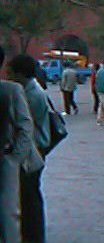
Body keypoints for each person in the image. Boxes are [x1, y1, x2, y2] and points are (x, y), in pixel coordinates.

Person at [0, 46, 43, 243]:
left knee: (9, 212)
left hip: (6, 159)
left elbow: (26, 127)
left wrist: (15, 159)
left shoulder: (10, 90)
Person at [8, 54, 50, 243]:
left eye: (11, 73)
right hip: (36, 148)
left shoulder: (30, 95)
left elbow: (23, 126)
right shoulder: (33, 89)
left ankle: (33, 236)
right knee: (30, 196)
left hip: (33, 150)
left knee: (29, 197)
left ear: (20, 73)